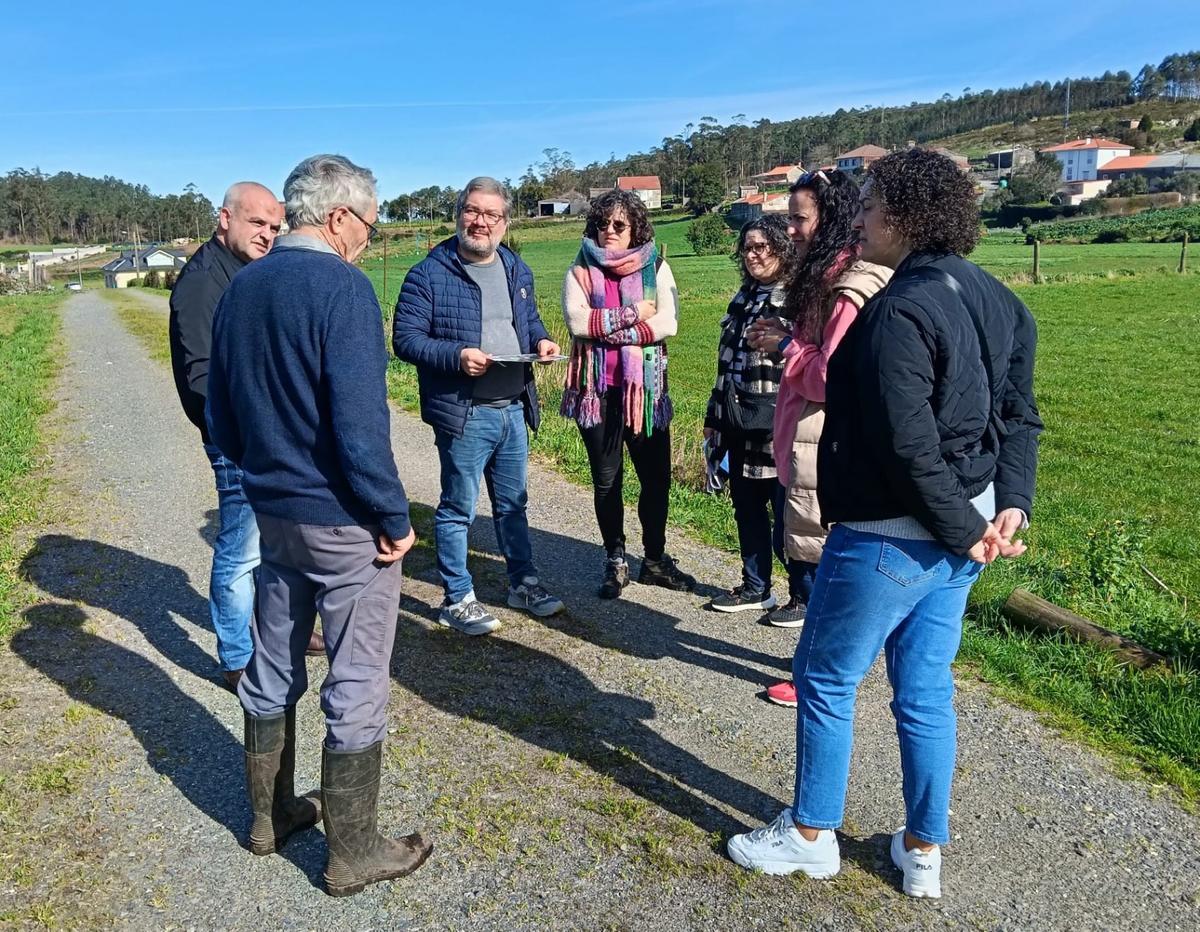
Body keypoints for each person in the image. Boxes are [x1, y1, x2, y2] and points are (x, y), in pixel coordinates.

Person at [727, 149, 1042, 899]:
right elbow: (1019, 419)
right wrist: (1006, 507)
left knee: (825, 677)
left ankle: (808, 835)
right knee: (925, 691)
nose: (859, 216)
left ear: (906, 214)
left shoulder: (899, 306)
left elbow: (906, 441)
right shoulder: (1003, 301)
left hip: (890, 534)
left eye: (869, 204)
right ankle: (922, 849)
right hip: (964, 528)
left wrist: (962, 528)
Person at [207, 154, 432, 896]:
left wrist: (260, 473)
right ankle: (354, 851)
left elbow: (221, 412)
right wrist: (392, 516)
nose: (369, 240)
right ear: (339, 218)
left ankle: (270, 817)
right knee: (358, 676)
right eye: (368, 225)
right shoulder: (343, 288)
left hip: (274, 513)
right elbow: (361, 427)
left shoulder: (242, 289)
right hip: (342, 522)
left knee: (273, 661)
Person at [393, 177, 564, 636]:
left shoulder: (514, 267)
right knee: (457, 508)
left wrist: (542, 341)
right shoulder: (428, 274)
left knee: (513, 505)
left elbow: (526, 322)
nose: (481, 221)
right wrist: (456, 356)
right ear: (458, 215)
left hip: (512, 408)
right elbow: (405, 339)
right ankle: (457, 597)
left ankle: (522, 584)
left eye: (491, 214)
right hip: (464, 411)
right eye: (472, 211)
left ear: (505, 222)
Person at [169, 182, 323, 690]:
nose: (268, 234)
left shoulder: (255, 273)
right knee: (241, 548)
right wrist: (244, 431)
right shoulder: (200, 285)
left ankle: (288, 632)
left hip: (275, 433)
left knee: (283, 542)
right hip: (238, 439)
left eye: (275, 227)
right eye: (257, 223)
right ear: (225, 218)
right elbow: (200, 379)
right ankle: (236, 655)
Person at [745, 170, 891, 706]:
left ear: (829, 219)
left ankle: (820, 679)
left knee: (820, 564)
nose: (792, 228)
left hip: (822, 444)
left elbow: (833, 376)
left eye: (799, 217)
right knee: (813, 558)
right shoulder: (822, 276)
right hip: (806, 440)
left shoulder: (845, 284)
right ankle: (818, 669)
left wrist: (785, 349)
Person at [560, 189, 695, 599]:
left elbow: (668, 322)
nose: (609, 231)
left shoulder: (657, 267)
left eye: (619, 224)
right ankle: (615, 559)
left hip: (647, 391)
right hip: (596, 391)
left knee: (656, 481)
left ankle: (654, 560)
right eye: (602, 224)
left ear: (635, 227)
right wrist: (636, 316)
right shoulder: (580, 269)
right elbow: (577, 322)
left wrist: (609, 327)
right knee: (607, 481)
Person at [704, 215, 808, 623]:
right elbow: (724, 361)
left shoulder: (800, 297)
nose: (752, 255)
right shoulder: (743, 296)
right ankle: (755, 586)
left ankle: (802, 595)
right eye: (747, 248)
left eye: (761, 247)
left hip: (779, 421)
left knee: (789, 515)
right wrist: (714, 415)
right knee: (746, 505)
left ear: (782, 248)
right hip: (738, 417)